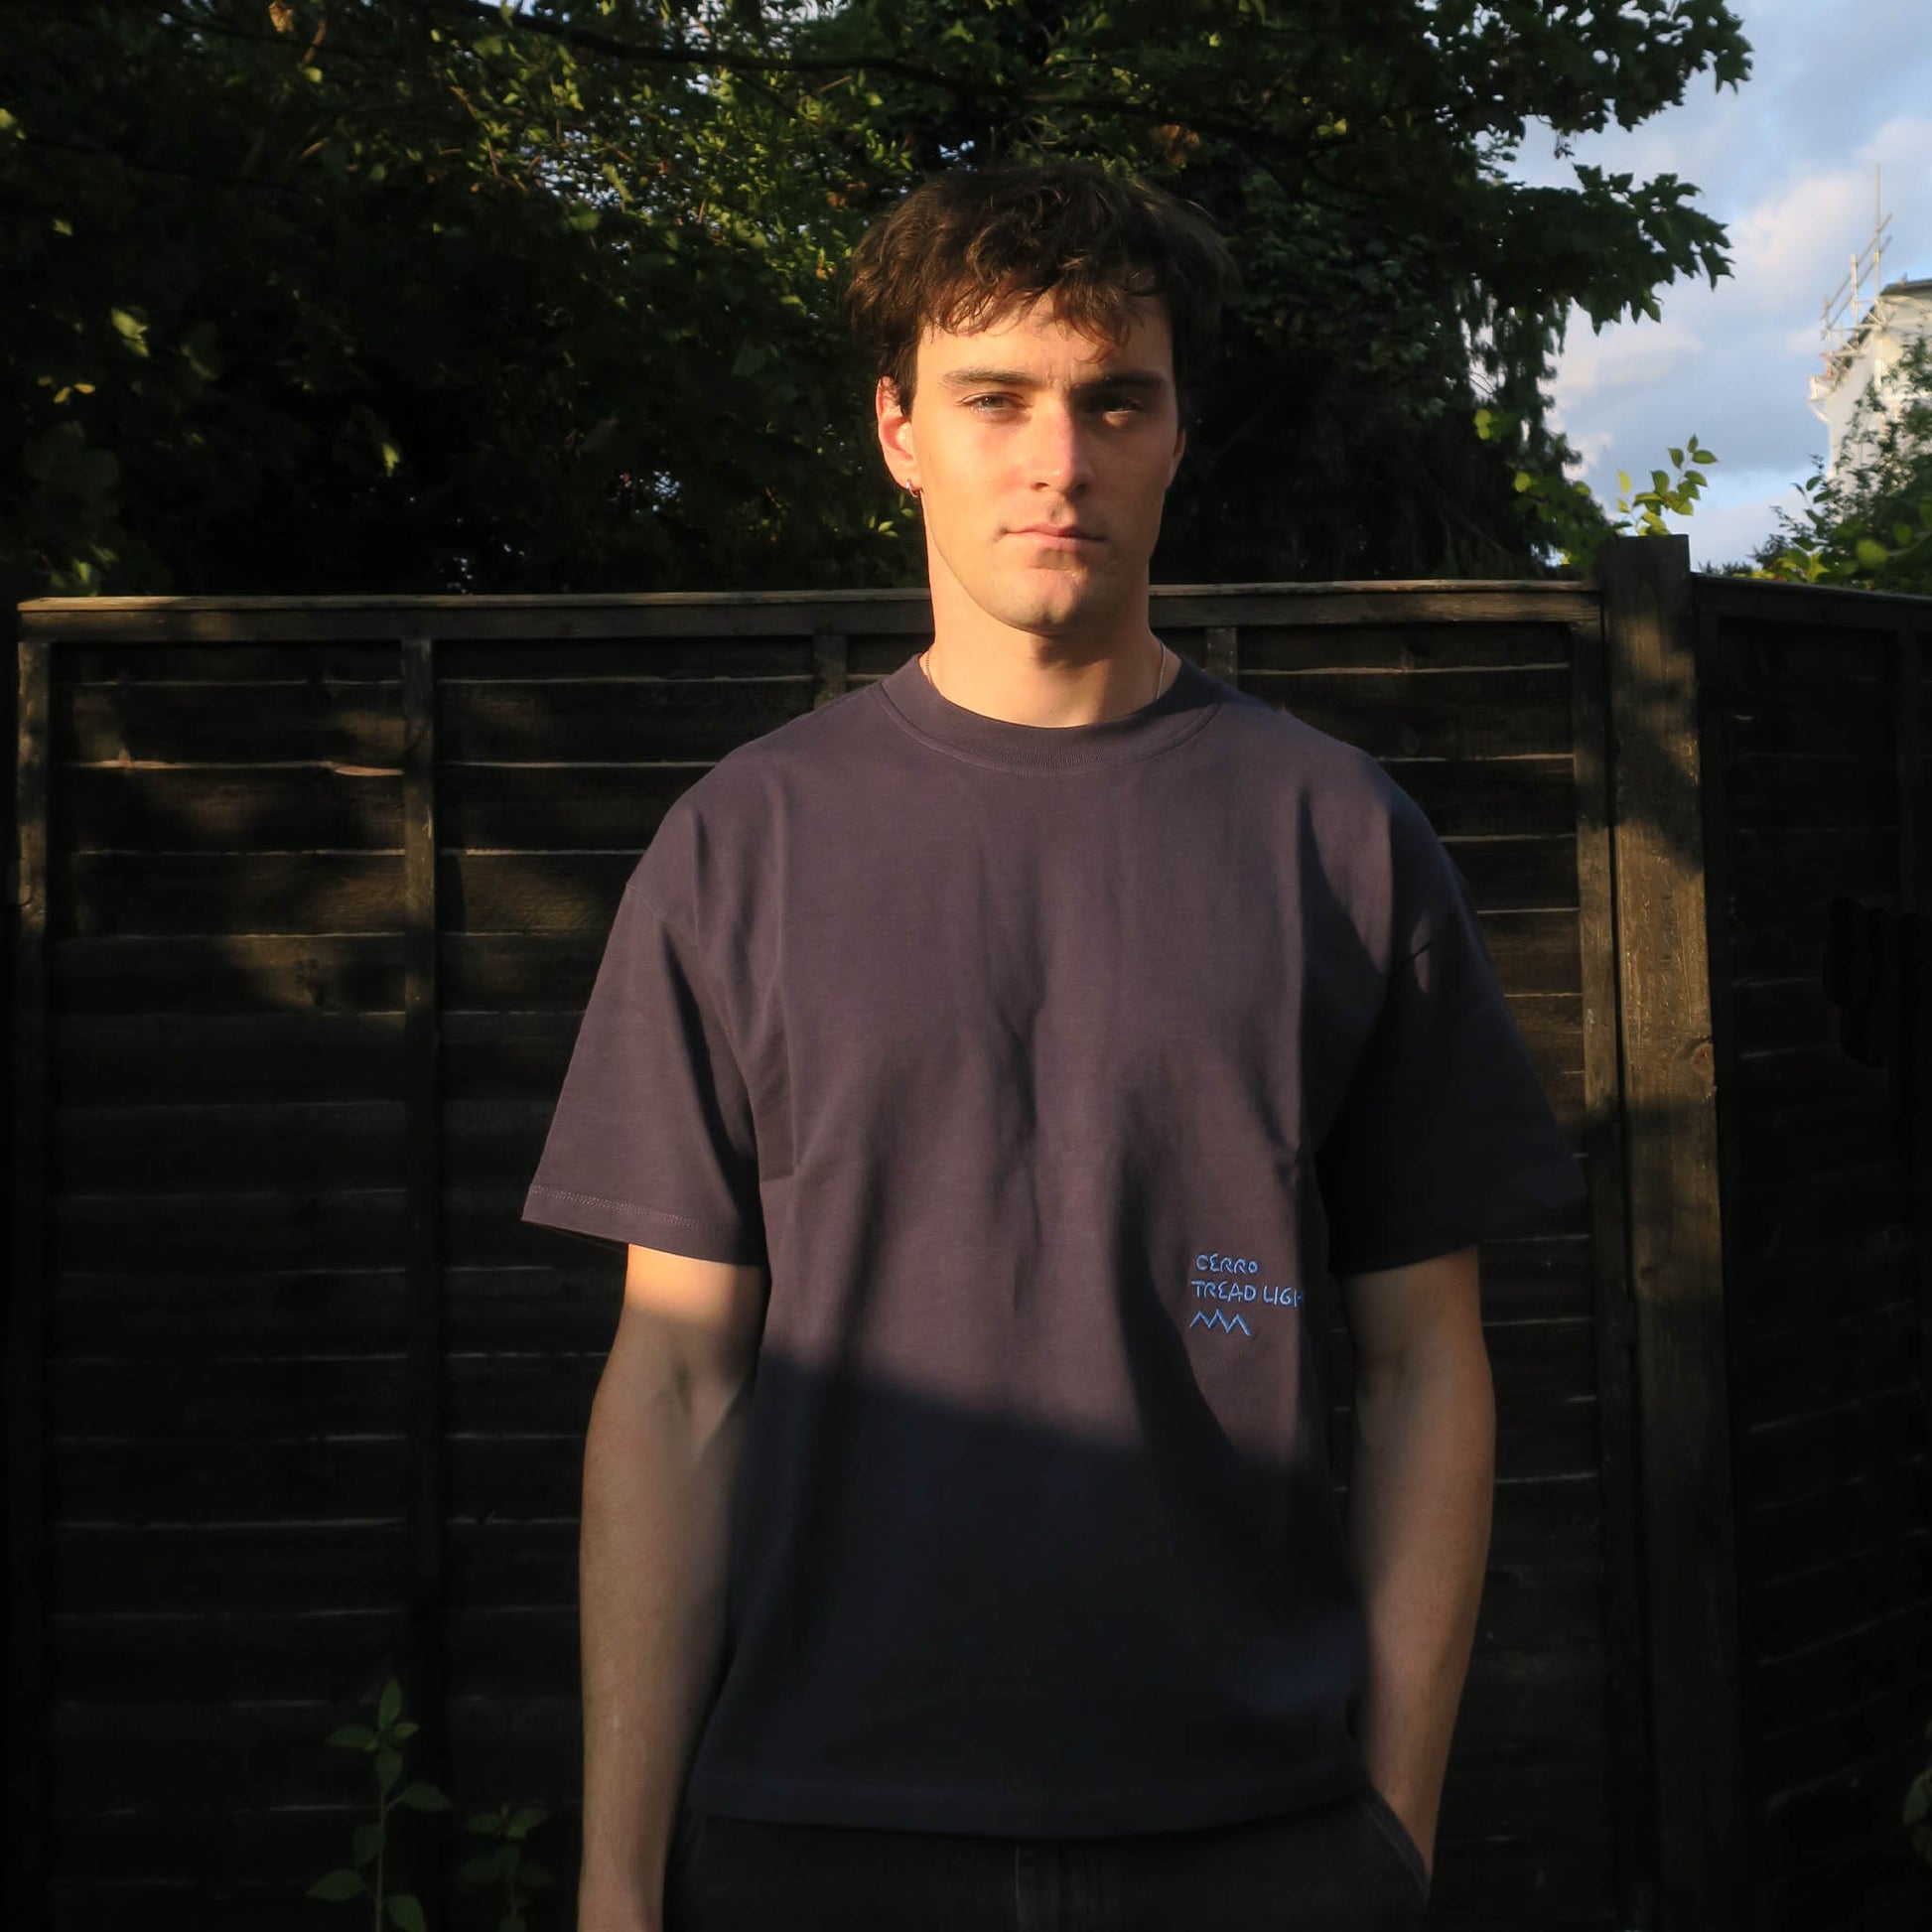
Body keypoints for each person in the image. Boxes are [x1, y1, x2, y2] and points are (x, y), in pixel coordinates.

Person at [522, 161, 1587, 1932]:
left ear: (1179, 435)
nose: (1057, 458)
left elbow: (1425, 1366)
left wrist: (1387, 1830)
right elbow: (674, 1382)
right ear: (896, 433)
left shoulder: (1336, 835)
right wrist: (618, 1885)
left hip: (1257, 1834)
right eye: (993, 398)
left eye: (1114, 401)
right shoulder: (740, 846)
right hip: (814, 1832)